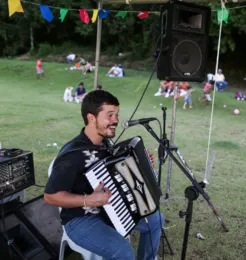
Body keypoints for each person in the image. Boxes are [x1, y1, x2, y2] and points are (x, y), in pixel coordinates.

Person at [44, 90, 164, 260]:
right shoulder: (72, 155)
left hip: (115, 207)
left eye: (116, 114)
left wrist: (140, 166)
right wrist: (88, 200)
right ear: (91, 118)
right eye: (109, 115)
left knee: (156, 220)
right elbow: (50, 196)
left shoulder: (106, 143)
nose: (115, 120)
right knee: (124, 252)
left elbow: (117, 174)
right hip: (81, 220)